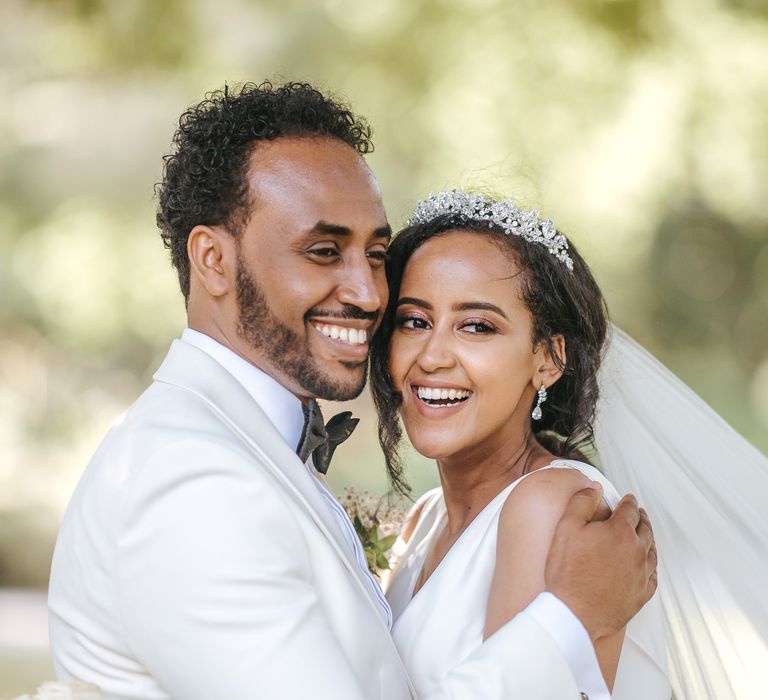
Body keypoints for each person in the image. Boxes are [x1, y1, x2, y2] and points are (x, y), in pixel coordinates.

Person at [48, 84, 656, 700]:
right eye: (323, 251)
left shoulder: (235, 448)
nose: (370, 295)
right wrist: (570, 616)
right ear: (212, 259)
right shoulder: (195, 475)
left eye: (375, 255)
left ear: (548, 357)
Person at [370, 190, 768, 700]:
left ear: (548, 359)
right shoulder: (424, 518)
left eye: (477, 326)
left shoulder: (550, 505)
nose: (432, 356)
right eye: (415, 321)